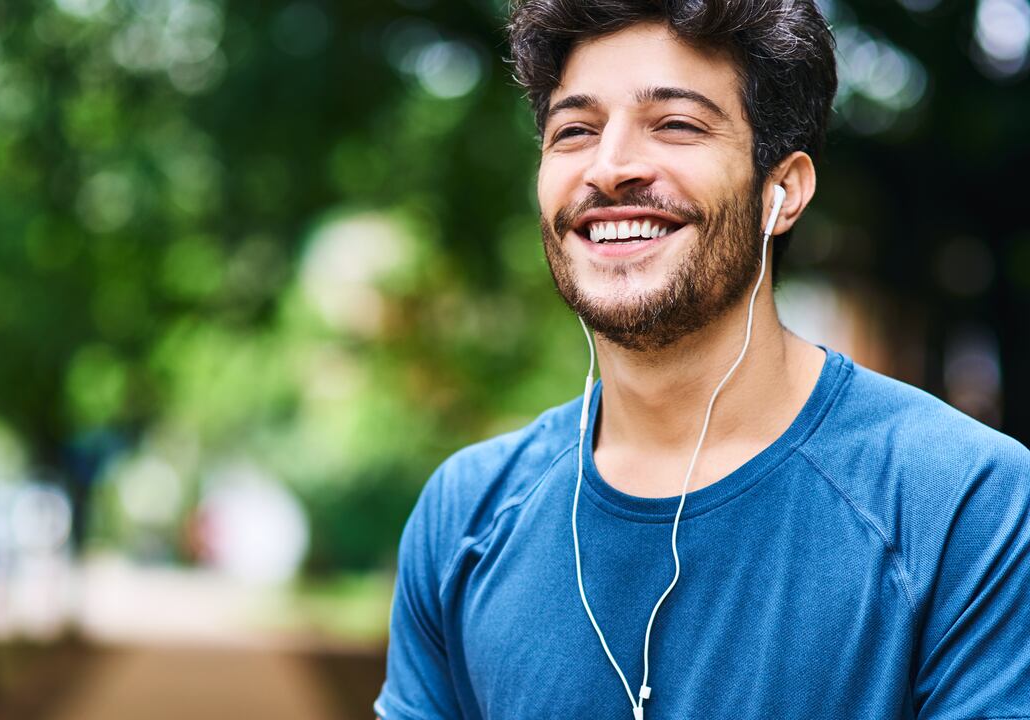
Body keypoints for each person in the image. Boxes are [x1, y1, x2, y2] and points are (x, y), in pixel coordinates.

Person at [374, 1, 1030, 718]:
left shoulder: (963, 503)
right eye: (574, 131)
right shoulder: (465, 515)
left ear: (783, 192)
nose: (611, 167)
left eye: (676, 125)